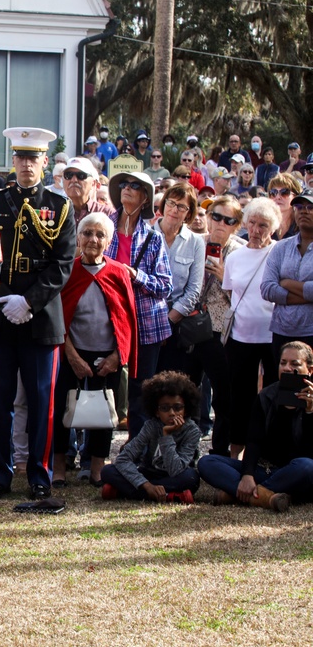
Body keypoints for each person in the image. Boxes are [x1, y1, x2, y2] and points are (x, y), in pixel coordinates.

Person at [0, 127, 77, 499]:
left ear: (44, 162)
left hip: (41, 321)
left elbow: (63, 263)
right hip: (0, 317)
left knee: (41, 402)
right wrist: (5, 299)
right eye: (20, 157)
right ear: (12, 160)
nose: (25, 165)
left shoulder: (60, 205)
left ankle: (40, 474)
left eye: (33, 158)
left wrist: (30, 302)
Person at [52, 213, 137, 487]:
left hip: (107, 355)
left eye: (100, 235)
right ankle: (60, 467)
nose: (93, 239)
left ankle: (98, 467)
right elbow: (59, 317)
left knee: (104, 414)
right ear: (78, 237)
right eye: (87, 233)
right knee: (61, 409)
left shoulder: (118, 272)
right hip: (72, 352)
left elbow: (127, 319)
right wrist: (72, 355)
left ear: (109, 241)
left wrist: (117, 356)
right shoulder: (69, 271)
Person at [198, 341, 313, 511]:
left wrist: (310, 412)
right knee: (207, 462)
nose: (287, 368)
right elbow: (253, 441)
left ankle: (239, 494)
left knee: (307, 466)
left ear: (309, 370)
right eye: (283, 363)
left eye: (295, 364)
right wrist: (247, 475)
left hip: (295, 471)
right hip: (265, 469)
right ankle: (265, 496)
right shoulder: (266, 396)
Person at [105, 171, 173, 438]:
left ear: (145, 198)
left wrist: (136, 275)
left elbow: (166, 286)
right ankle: (92, 456)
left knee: (141, 390)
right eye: (124, 184)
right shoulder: (103, 228)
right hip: (107, 321)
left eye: (135, 186)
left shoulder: (153, 238)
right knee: (104, 388)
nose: (128, 189)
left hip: (145, 324)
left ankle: (137, 450)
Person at [185, 196, 244, 457]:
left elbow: (246, 300)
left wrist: (225, 278)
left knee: (223, 395)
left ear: (236, 225)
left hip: (221, 331)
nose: (220, 223)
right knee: (187, 392)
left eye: (227, 220)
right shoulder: (194, 244)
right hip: (190, 328)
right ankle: (186, 449)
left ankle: (220, 451)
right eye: (216, 216)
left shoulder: (242, 252)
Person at [223, 198, 279, 459]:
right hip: (240, 336)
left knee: (273, 394)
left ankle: (269, 452)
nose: (256, 230)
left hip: (273, 334)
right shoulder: (234, 257)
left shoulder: (279, 252)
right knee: (240, 397)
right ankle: (236, 453)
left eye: (263, 225)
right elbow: (229, 293)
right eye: (253, 223)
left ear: (274, 228)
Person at [99, 371, 201, 503]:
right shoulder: (151, 426)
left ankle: (124, 492)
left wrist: (167, 436)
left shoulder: (192, 430)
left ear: (186, 410)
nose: (172, 413)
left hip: (175, 476)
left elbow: (176, 470)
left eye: (177, 408)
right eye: (165, 408)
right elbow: (123, 459)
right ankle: (170, 496)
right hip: (149, 474)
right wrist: (147, 486)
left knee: (191, 478)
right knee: (107, 471)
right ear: (156, 412)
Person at [154, 183, 205, 374]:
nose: (174, 210)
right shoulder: (146, 234)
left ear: (188, 212)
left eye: (181, 206)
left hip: (177, 323)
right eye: (171, 203)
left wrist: (167, 322)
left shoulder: (195, 242)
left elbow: (193, 290)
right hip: (147, 319)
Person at [260, 189, 313, 357]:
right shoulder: (281, 247)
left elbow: (277, 287)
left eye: (310, 207)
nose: (304, 211)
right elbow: (267, 289)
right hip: (282, 332)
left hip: (311, 332)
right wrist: (307, 295)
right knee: (281, 382)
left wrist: (287, 283)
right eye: (299, 206)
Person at [267, 173, 301, 240]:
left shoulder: (303, 227)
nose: (278, 197)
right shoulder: (264, 226)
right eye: (273, 192)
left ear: (296, 197)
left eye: (284, 192)